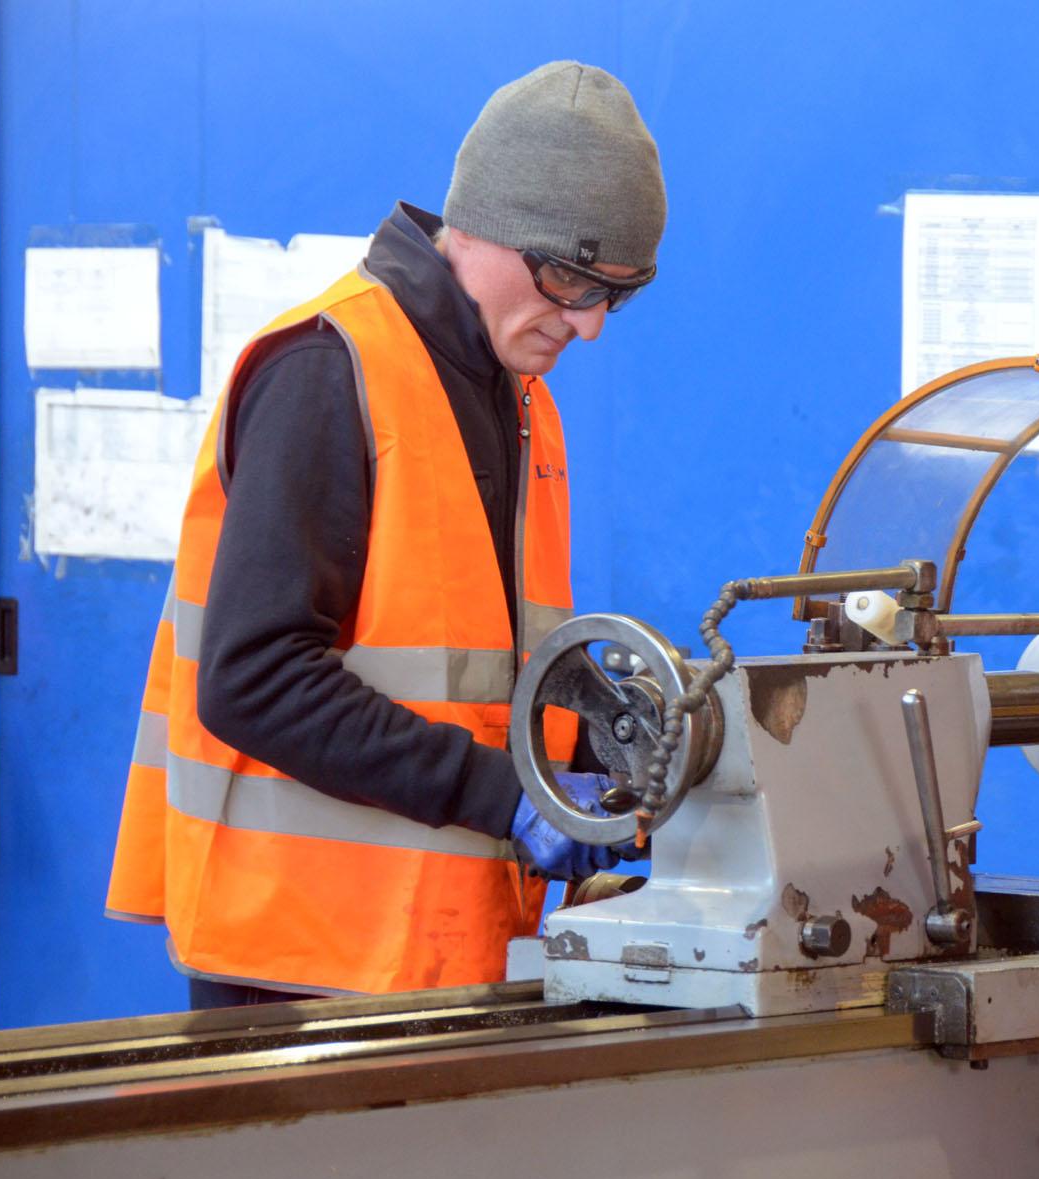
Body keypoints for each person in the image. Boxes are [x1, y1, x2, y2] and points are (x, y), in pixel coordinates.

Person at [106, 62, 665, 1009]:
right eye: (573, 280)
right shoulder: (329, 372)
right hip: (298, 968)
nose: (590, 326)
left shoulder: (520, 399)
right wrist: (508, 798)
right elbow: (254, 679)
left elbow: (466, 668)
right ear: (488, 223)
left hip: (443, 959)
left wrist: (598, 739)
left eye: (618, 294)